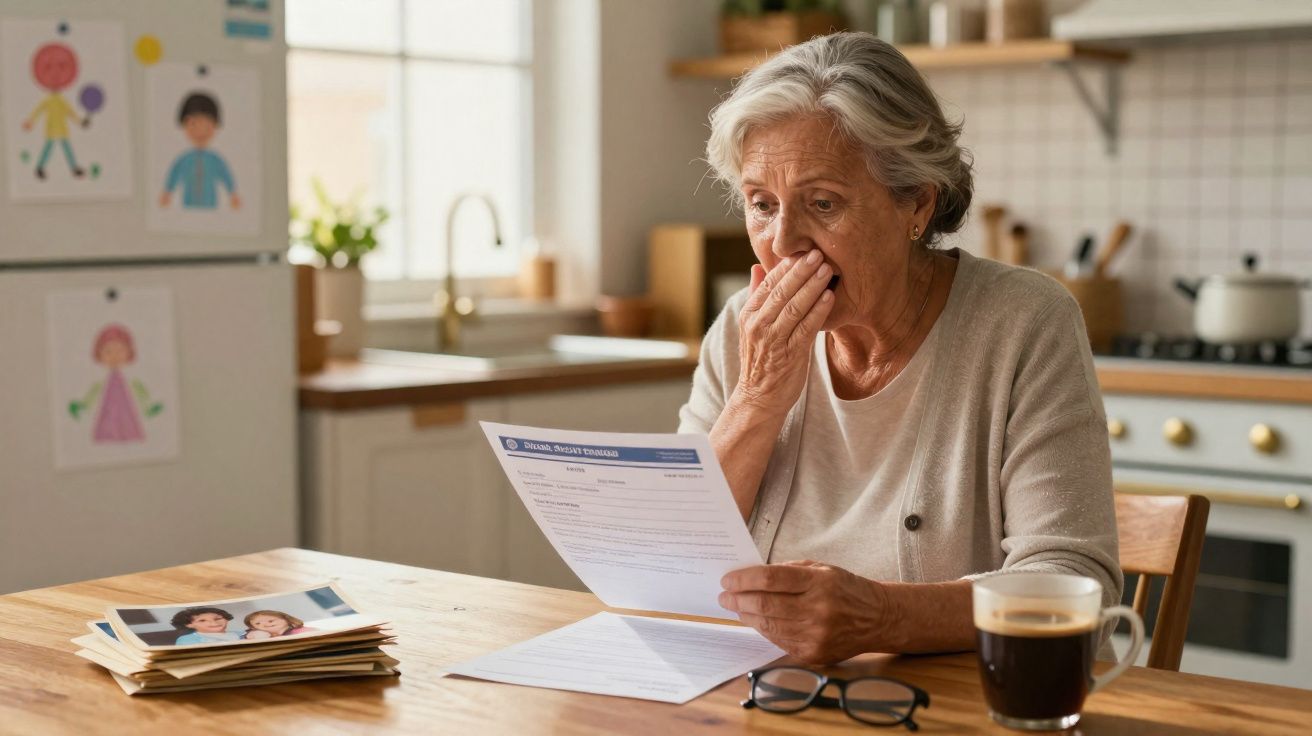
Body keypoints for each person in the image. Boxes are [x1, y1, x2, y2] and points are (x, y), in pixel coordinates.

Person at [680, 32, 1121, 665]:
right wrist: (756, 399)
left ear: (915, 202)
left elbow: (1080, 590)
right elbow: (671, 563)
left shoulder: (1023, 322)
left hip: (957, 710)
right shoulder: (740, 330)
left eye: (822, 203)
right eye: (761, 205)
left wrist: (883, 617)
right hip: (767, 700)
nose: (783, 244)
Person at [68, 324, 163, 443]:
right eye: (108, 351)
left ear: (129, 352)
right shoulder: (100, 382)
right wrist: (83, 406)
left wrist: (149, 407)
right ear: (99, 353)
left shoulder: (132, 380)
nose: (114, 356)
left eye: (120, 350)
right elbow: (92, 395)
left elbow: (141, 395)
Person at [159, 92, 240, 210]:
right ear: (184, 126)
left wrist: (232, 193)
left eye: (207, 125)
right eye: (193, 124)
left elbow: (225, 174)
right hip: (188, 205)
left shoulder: (215, 159)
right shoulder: (184, 159)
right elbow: (174, 174)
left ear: (215, 126)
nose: (200, 131)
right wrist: (167, 192)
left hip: (211, 206)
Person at [22, 42, 86, 180]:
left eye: (61, 67)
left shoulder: (61, 100)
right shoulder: (49, 101)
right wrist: (30, 121)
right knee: (49, 148)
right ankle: (40, 167)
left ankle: (73, 168)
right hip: (52, 128)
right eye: (48, 68)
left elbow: (70, 112)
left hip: (61, 129)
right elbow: (38, 110)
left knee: (65, 147)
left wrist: (80, 122)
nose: (55, 73)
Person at [171, 607, 242, 645]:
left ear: (226, 619)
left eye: (218, 618)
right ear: (189, 625)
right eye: (202, 620)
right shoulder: (186, 639)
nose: (213, 622)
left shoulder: (242, 633)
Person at [241, 610, 316, 639]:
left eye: (270, 621)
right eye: (257, 623)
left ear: (286, 619)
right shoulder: (258, 635)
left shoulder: (301, 631)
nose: (265, 624)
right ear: (253, 627)